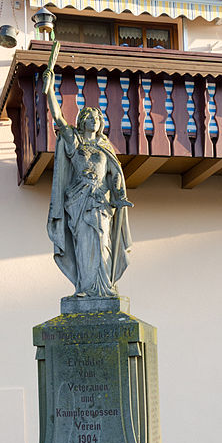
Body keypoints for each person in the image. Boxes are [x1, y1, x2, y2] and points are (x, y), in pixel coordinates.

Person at [43, 67, 132, 298]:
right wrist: (50, 89)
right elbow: (59, 119)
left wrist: (120, 197)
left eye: (96, 117)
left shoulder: (105, 148)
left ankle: (105, 288)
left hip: (101, 202)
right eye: (89, 117)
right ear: (82, 121)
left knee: (103, 241)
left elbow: (115, 175)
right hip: (79, 201)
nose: (93, 120)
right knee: (83, 244)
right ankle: (84, 288)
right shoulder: (75, 142)